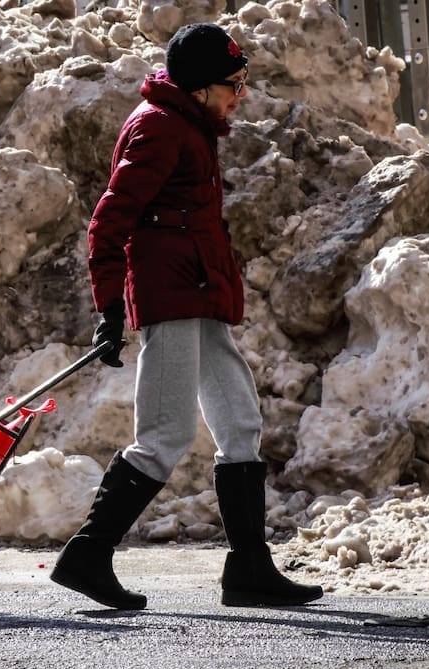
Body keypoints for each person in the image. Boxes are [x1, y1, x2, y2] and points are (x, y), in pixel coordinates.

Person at [49, 23, 323, 611]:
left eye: (243, 82)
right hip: (172, 302)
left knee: (241, 425)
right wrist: (108, 306)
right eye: (233, 84)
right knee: (165, 436)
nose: (239, 95)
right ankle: (89, 554)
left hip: (199, 299)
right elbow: (109, 221)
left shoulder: (190, 127)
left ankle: (249, 569)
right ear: (199, 86)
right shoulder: (159, 129)